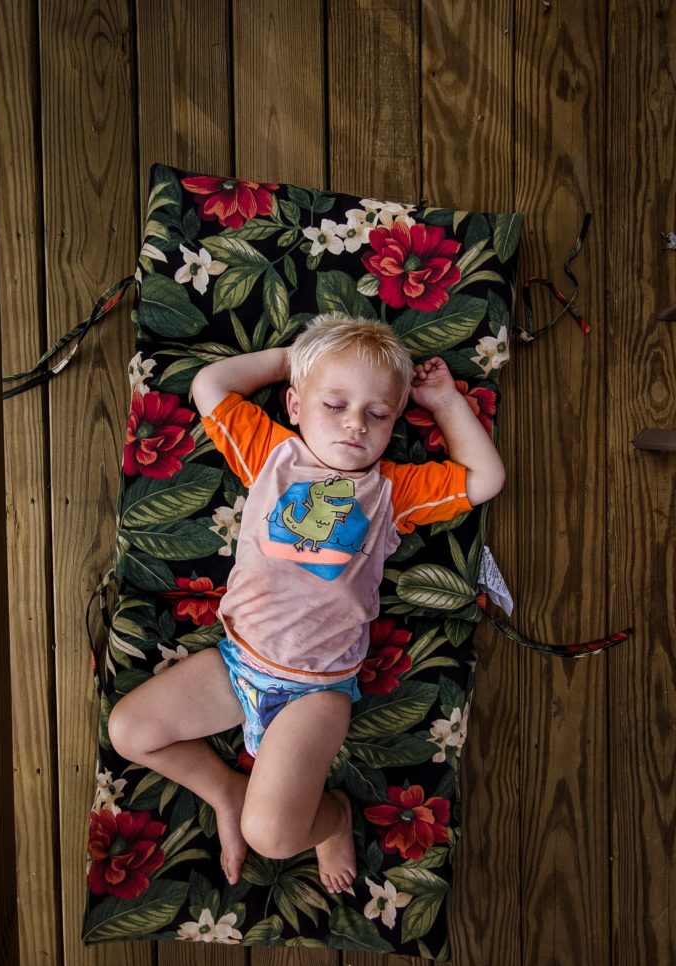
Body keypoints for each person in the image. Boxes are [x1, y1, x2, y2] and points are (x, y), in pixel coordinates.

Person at [108, 314, 505, 895]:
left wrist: (444, 401)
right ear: (294, 403)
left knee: (271, 834)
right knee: (129, 730)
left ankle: (334, 815)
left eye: (377, 413)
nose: (354, 425)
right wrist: (291, 357)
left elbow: (485, 477)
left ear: (394, 424)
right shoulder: (271, 454)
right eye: (334, 404)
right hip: (237, 662)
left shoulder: (391, 491)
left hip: (315, 690)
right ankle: (225, 789)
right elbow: (209, 386)